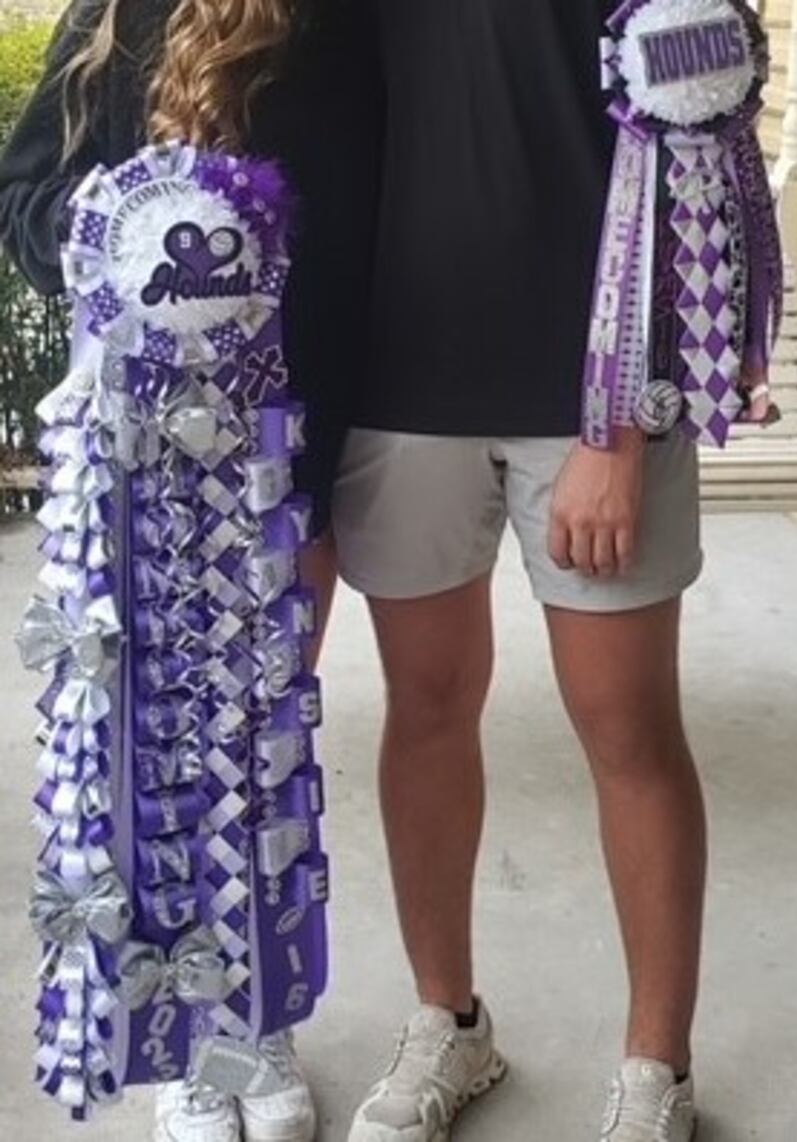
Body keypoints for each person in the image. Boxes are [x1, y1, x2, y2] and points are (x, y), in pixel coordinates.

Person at [332, 2, 769, 1140]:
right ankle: (451, 1020)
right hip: (396, 383)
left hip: (592, 394)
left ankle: (655, 1068)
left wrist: (618, 428)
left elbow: (697, 139)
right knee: (425, 707)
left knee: (627, 725)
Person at [0, 1, 382, 1140]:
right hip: (131, 473)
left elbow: (361, 237)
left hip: (272, 463)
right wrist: (116, 234)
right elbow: (25, 196)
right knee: (151, 762)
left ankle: (256, 1020)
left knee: (256, 755)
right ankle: (182, 1043)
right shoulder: (112, 19)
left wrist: (318, 454)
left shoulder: (334, 25)